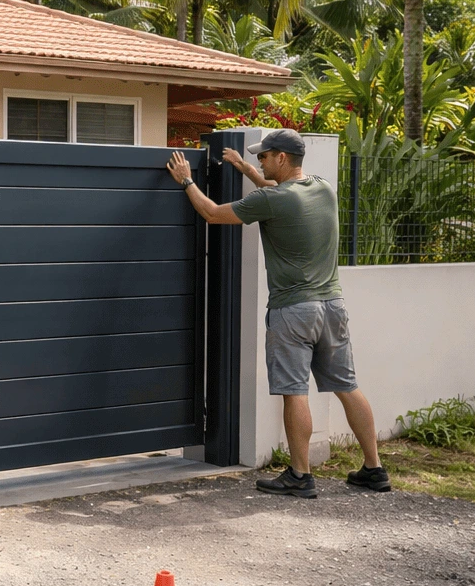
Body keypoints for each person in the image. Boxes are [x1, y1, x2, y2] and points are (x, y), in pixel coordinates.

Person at [164, 130, 391, 498]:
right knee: (347, 386)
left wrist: (187, 180)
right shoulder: (322, 188)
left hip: (293, 311)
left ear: (282, 158)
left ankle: (300, 476)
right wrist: (244, 170)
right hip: (332, 307)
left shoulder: (272, 199)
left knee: (294, 391)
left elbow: (211, 213)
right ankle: (374, 469)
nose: (260, 162)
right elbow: (276, 193)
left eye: (265, 157)